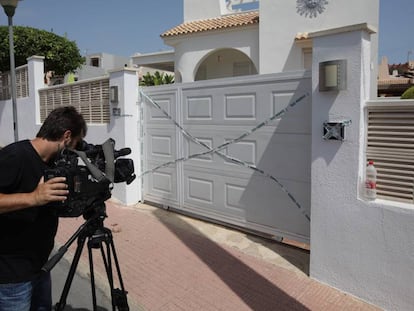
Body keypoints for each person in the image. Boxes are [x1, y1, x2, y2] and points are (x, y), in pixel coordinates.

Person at [0, 106, 87, 311]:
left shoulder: (55, 162)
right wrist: (34, 197)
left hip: (41, 266)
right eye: (76, 143)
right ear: (66, 136)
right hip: (12, 276)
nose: (75, 149)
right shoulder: (16, 155)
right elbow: (36, 198)